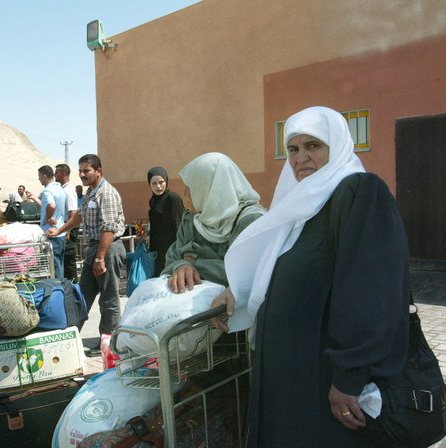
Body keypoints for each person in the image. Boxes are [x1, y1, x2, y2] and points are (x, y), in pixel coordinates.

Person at [213, 106, 410, 447]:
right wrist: (238, 290)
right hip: (288, 374)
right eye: (293, 148)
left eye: (313, 146)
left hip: (321, 377)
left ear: (337, 145)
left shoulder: (358, 193)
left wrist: (349, 376)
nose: (301, 157)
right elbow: (277, 265)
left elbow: (372, 291)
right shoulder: (299, 205)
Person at [46, 154, 126, 356]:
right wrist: (60, 230)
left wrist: (100, 258)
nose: (82, 174)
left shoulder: (106, 192)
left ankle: (109, 345)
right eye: (80, 171)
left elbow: (108, 228)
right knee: (82, 296)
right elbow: (80, 216)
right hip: (95, 248)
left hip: (107, 249)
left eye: (86, 171)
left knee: (108, 300)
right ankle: (68, 340)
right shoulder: (91, 192)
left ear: (98, 171)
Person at [162, 152, 266, 293]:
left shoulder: (251, 221)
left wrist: (194, 263)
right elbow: (171, 258)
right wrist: (181, 265)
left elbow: (244, 273)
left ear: (208, 188)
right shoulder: (192, 220)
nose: (185, 193)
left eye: (190, 187)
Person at [146, 166, 185, 277]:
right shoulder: (153, 201)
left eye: (161, 182)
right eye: (154, 183)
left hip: (173, 250)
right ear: (149, 184)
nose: (158, 186)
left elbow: (180, 225)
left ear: (166, 181)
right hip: (158, 250)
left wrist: (180, 251)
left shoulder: (172, 198)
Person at [37, 165, 67, 278]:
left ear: (44, 176)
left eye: (39, 176)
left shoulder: (47, 191)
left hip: (51, 234)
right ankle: (61, 288)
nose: (39, 179)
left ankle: (58, 290)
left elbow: (51, 205)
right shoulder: (60, 189)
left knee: (53, 266)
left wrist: (47, 219)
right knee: (59, 264)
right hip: (61, 232)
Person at [55, 163, 79, 281]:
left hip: (69, 227)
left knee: (69, 260)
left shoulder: (68, 190)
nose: (55, 175)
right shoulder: (63, 189)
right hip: (65, 226)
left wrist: (68, 231)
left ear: (63, 173)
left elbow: (73, 213)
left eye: (57, 172)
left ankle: (73, 287)